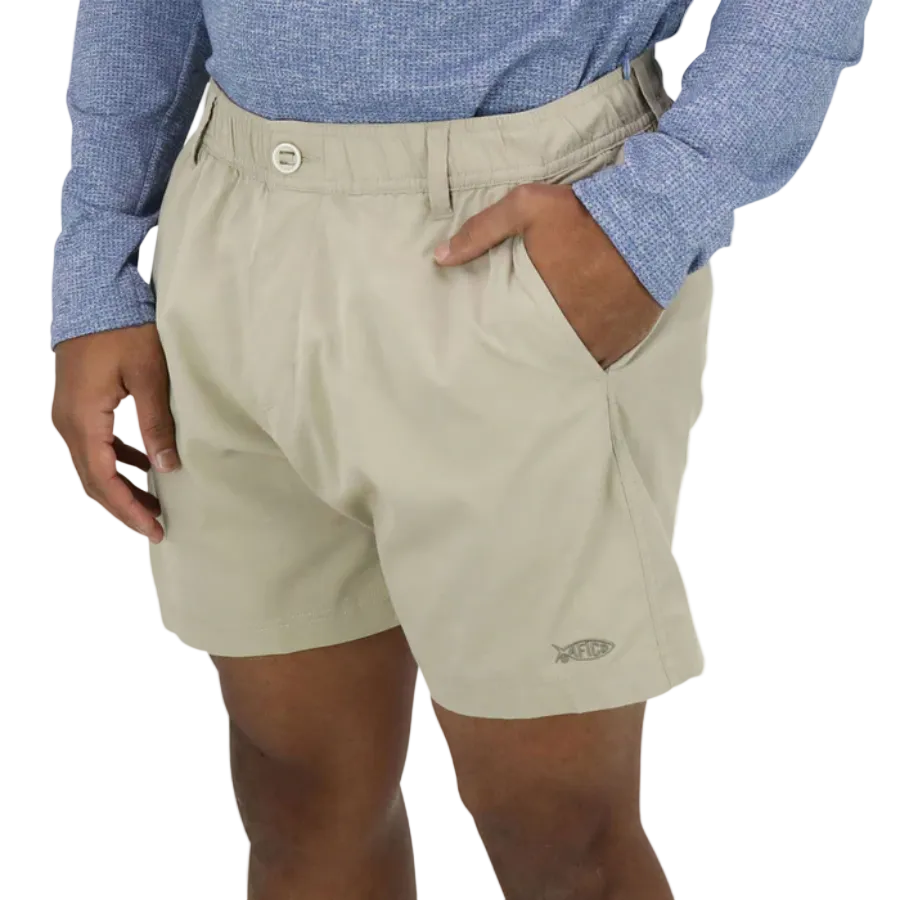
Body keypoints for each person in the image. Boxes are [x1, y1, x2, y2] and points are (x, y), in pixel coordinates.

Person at [50, 2, 873, 897]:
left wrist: (662, 208)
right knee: (298, 796)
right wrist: (97, 267)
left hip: (517, 219)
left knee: (559, 833)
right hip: (233, 228)